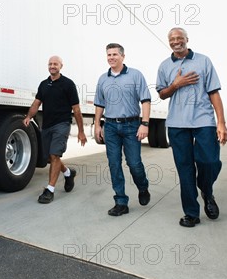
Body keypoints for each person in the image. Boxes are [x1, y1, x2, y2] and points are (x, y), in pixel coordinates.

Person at [156, 27, 227, 228]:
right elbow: (162, 94)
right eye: (172, 39)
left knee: (210, 161)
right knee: (185, 168)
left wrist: (221, 122)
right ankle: (191, 213)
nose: (176, 41)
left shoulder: (203, 61)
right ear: (169, 42)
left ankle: (206, 190)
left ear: (187, 39)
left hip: (203, 120)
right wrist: (176, 84)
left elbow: (214, 92)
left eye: (180, 37)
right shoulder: (164, 66)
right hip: (177, 124)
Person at [93, 43, 151, 217]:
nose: (111, 57)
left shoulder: (135, 75)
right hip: (110, 126)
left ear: (122, 56)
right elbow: (99, 104)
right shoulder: (103, 78)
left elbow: (146, 101)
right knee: (114, 164)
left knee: (134, 163)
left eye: (114, 54)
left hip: (131, 125)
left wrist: (145, 124)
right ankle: (120, 201)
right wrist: (97, 124)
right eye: (108, 55)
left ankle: (143, 187)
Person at [23, 56, 87, 204]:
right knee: (50, 158)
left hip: (62, 124)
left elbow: (76, 109)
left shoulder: (68, 84)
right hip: (47, 125)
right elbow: (36, 103)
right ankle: (68, 173)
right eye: (50, 64)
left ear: (61, 66)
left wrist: (81, 131)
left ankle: (49, 190)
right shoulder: (44, 84)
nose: (52, 66)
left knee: (55, 155)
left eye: (55, 64)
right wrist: (28, 116)